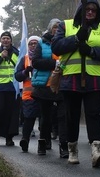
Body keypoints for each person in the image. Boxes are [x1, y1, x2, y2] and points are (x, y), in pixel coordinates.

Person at [51, 0, 100, 167]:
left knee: (94, 114)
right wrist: (76, 40)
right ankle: (72, 148)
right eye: (87, 9)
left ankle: (96, 150)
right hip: (71, 78)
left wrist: (92, 51)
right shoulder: (66, 25)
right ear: (81, 10)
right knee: (72, 116)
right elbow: (56, 47)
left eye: (94, 10)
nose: (91, 12)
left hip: (95, 78)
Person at [31, 18, 69, 158]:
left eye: (59, 27)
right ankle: (43, 142)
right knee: (45, 116)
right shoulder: (41, 43)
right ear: (50, 28)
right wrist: (55, 63)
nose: (56, 29)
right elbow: (35, 62)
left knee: (62, 116)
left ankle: (64, 146)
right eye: (54, 27)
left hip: (63, 85)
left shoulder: (66, 43)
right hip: (45, 86)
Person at [0, 31, 20, 146]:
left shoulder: (17, 53)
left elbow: (20, 67)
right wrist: (1, 57)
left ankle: (9, 138)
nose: (5, 40)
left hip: (13, 89)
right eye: (3, 38)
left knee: (11, 114)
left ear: (11, 40)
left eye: (8, 38)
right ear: (0, 41)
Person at [14, 35, 41, 153]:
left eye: (35, 43)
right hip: (28, 95)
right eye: (31, 43)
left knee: (45, 119)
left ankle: (45, 142)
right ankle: (25, 139)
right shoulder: (24, 59)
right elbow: (17, 76)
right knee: (29, 118)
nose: (33, 45)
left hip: (43, 93)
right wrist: (26, 71)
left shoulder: (45, 56)